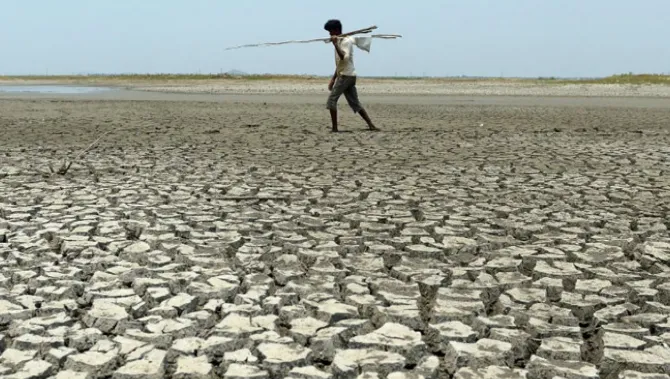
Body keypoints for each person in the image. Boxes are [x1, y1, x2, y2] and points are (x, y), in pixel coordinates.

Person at [324, 19, 378, 133]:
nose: (329, 34)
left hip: (346, 76)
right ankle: (371, 125)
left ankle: (334, 128)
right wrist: (333, 78)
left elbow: (344, 57)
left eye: (331, 31)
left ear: (337, 30)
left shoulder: (346, 42)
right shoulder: (339, 41)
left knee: (331, 101)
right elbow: (340, 63)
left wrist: (335, 44)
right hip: (346, 75)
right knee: (355, 103)